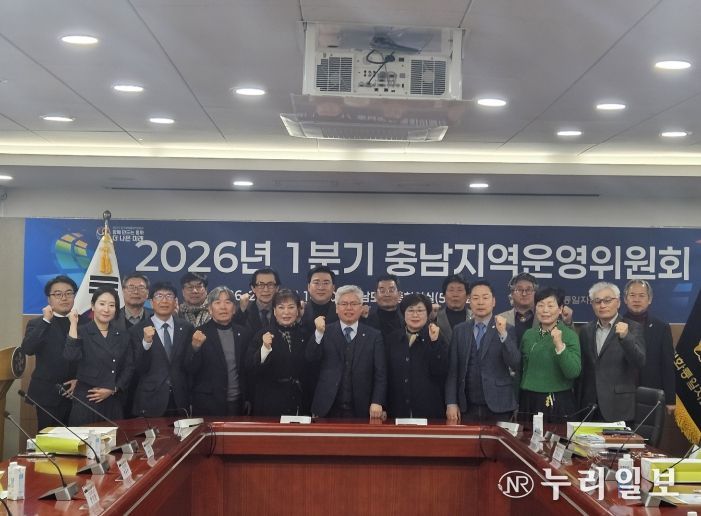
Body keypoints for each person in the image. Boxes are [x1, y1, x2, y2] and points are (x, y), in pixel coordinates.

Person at [306, 285, 386, 419]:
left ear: (361, 308)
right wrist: (319, 333)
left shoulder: (374, 336)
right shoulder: (325, 331)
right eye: (344, 304)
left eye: (354, 304)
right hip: (327, 406)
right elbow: (310, 357)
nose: (349, 308)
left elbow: (380, 373)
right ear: (337, 308)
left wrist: (377, 401)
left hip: (362, 407)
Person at [445, 280, 520, 423]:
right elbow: (453, 370)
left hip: (499, 406)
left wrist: (503, 334)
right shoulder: (460, 330)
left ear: (493, 302)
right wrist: (451, 402)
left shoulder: (507, 329)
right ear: (469, 301)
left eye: (485, 298)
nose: (480, 302)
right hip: (467, 406)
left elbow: (515, 362)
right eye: (475, 298)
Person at [64, 287, 134, 425]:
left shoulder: (123, 335)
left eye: (112, 305)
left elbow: (129, 367)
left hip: (113, 401)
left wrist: (113, 388)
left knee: (113, 438)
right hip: (86, 400)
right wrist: (73, 324)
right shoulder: (81, 331)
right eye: (102, 304)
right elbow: (71, 356)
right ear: (93, 306)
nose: (106, 309)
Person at [577, 281, 645, 422]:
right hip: (589, 405)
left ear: (618, 303)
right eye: (597, 301)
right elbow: (582, 368)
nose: (602, 305)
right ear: (592, 305)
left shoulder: (633, 327)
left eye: (607, 300)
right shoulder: (585, 330)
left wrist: (626, 337)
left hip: (618, 405)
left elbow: (639, 361)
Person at [21, 275, 79, 430]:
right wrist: (46, 321)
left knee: (76, 440)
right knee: (48, 440)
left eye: (68, 293)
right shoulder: (38, 323)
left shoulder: (83, 323)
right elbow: (28, 349)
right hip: (47, 395)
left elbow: (91, 358)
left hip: (76, 394)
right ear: (49, 299)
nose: (64, 298)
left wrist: (79, 379)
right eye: (58, 294)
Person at [130, 281, 195, 417]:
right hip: (150, 400)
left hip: (180, 399)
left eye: (169, 296)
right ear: (151, 302)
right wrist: (146, 343)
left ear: (175, 301)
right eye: (159, 296)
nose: (164, 301)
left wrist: (195, 347)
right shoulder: (137, 330)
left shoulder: (187, 328)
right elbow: (138, 368)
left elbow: (189, 366)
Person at [185, 286, 252, 416]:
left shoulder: (244, 333)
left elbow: (248, 370)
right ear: (210, 309)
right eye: (217, 302)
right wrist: (195, 348)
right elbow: (189, 368)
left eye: (228, 302)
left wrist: (248, 397)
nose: (223, 307)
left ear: (234, 308)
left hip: (238, 403)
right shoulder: (199, 333)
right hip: (207, 404)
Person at [520, 287, 581, 422]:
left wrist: (559, 345)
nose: (545, 310)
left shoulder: (569, 335)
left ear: (560, 309)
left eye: (550, 305)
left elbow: (573, 372)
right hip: (528, 399)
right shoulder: (529, 335)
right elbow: (521, 369)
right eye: (540, 305)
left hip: (557, 401)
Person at [246, 289, 310, 417]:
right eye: (281, 307)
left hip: (299, 400)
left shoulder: (305, 334)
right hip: (269, 402)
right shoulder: (262, 334)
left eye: (291, 307)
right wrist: (265, 348)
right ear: (274, 311)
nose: (286, 312)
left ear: (298, 310)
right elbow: (250, 367)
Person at [385, 293, 448, 419]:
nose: (415, 315)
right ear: (403, 313)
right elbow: (385, 374)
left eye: (420, 310)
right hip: (397, 408)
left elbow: (441, 371)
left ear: (428, 314)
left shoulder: (437, 337)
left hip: (429, 409)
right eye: (410, 310)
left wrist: (434, 342)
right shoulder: (392, 339)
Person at [623, 279, 675, 415]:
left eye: (641, 295)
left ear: (649, 299)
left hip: (651, 393)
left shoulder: (661, 328)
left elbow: (667, 365)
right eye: (632, 295)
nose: (637, 299)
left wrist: (670, 399)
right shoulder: (617, 325)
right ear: (625, 299)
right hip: (621, 395)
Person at [236, 268, 281, 334]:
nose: (266, 290)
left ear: (277, 288)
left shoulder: (283, 311)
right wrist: (242, 311)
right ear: (253, 288)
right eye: (260, 285)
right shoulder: (243, 311)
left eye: (270, 284)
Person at [300, 265, 338, 334]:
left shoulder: (340, 311)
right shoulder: (300, 311)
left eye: (326, 283)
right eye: (316, 283)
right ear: (308, 287)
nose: (321, 288)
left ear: (333, 287)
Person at [364, 274, 403, 339]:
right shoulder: (366, 322)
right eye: (382, 291)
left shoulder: (408, 321)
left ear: (399, 295)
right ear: (375, 296)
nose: (387, 294)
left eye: (391, 290)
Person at [435, 275, 471, 343]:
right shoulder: (435, 318)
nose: (455, 295)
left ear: (467, 296)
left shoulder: (475, 317)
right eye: (451, 290)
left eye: (459, 290)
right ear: (444, 295)